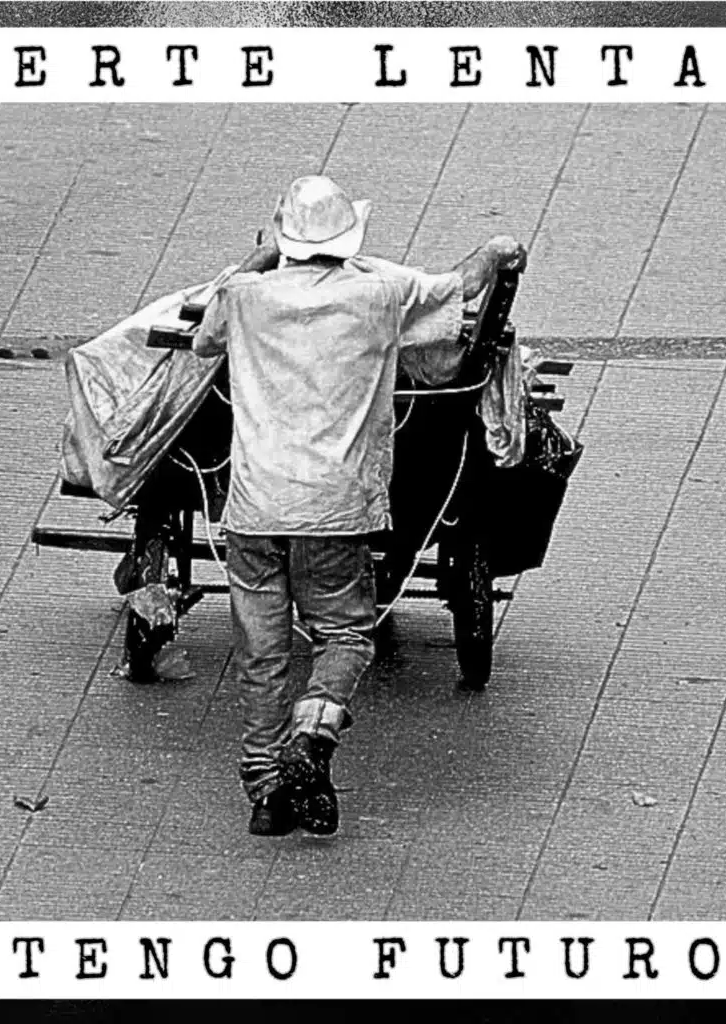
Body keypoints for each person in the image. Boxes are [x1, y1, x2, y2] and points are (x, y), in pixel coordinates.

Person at [193, 175, 526, 836]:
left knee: (262, 656)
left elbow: (204, 337)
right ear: (349, 240)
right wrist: (495, 249)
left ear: (285, 240)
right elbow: (459, 287)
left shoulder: (245, 297)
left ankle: (265, 793)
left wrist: (260, 257)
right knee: (345, 634)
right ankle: (311, 734)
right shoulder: (378, 294)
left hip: (254, 508)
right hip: (334, 509)